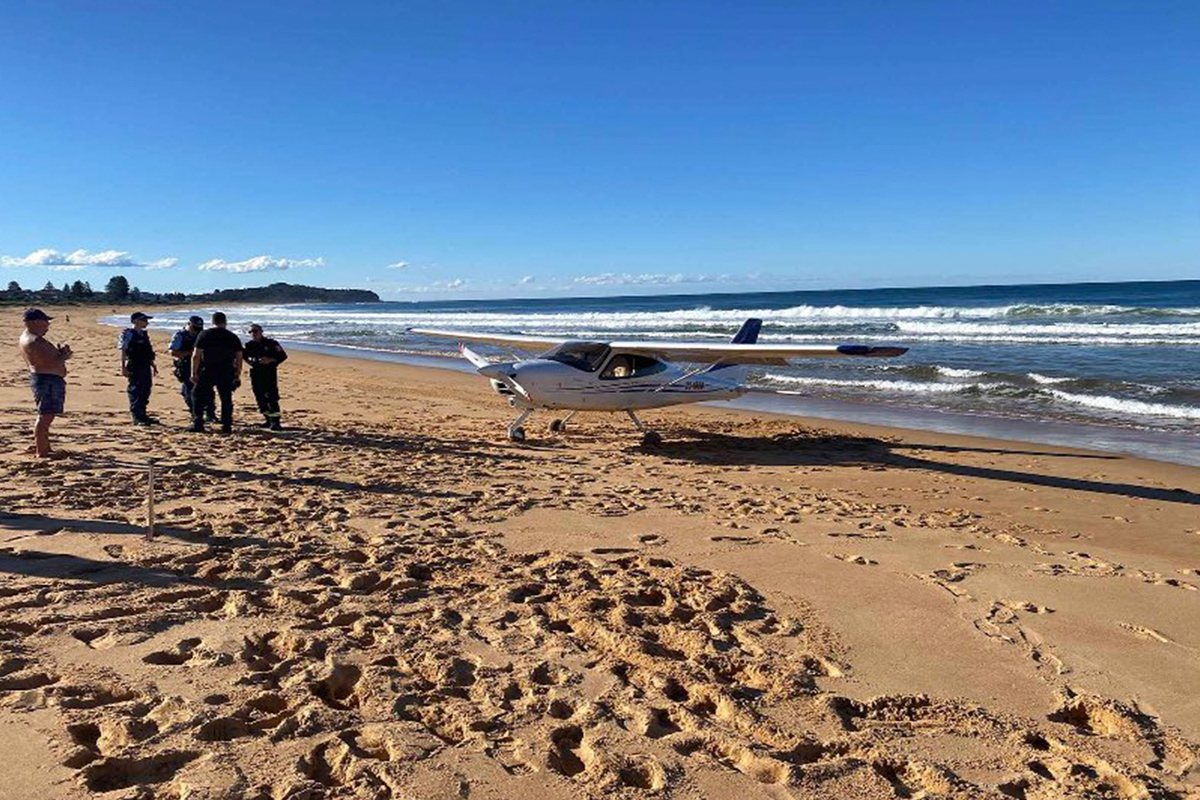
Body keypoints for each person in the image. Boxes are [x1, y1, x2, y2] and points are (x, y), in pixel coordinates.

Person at [18, 308, 71, 458]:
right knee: (45, 416)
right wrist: (64, 355)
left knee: (46, 415)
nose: (47, 325)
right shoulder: (35, 340)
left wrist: (61, 356)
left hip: (46, 378)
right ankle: (42, 450)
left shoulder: (29, 338)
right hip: (47, 379)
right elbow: (50, 361)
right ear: (35, 322)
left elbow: (47, 360)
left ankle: (43, 446)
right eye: (45, 321)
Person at [190, 311, 243, 433]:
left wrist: (194, 373)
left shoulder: (205, 334)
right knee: (226, 398)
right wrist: (237, 374)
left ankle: (198, 422)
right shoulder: (232, 336)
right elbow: (239, 358)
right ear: (225, 322)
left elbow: (196, 355)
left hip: (208, 369)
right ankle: (226, 425)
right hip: (226, 370)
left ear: (212, 322)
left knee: (197, 395)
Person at [169, 315, 215, 422]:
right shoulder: (180, 335)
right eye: (195, 328)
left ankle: (210, 414)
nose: (197, 331)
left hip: (202, 365)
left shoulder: (202, 335)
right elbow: (173, 352)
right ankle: (195, 414)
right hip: (186, 366)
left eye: (199, 328)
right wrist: (189, 353)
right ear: (188, 325)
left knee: (208, 392)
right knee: (188, 392)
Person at [243, 323, 288, 429]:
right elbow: (243, 356)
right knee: (260, 397)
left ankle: (275, 422)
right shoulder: (249, 345)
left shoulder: (271, 343)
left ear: (261, 332)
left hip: (269, 373)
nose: (253, 334)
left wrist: (270, 359)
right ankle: (267, 419)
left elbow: (282, 356)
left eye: (255, 331)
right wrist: (250, 362)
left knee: (271, 397)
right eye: (251, 332)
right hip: (256, 373)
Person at [120, 312, 158, 424]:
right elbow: (123, 350)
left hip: (145, 364)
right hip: (134, 364)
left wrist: (153, 364)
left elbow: (148, 351)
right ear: (136, 321)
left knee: (146, 389)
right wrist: (123, 367)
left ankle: (143, 414)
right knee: (136, 389)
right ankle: (137, 416)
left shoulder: (144, 334)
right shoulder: (128, 333)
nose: (146, 322)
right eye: (144, 320)